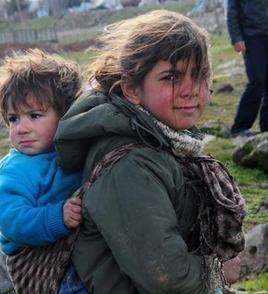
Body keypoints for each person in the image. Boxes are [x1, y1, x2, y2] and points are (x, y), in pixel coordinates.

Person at [54, 10, 245, 294]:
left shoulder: (163, 138)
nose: (190, 90)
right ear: (132, 89)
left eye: (200, 74)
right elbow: (164, 276)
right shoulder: (130, 165)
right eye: (171, 77)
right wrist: (217, 271)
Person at [0, 49, 87, 293]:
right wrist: (57, 217)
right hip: (36, 257)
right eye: (13, 118)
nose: (21, 128)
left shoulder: (74, 151)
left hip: (72, 247)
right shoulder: (15, 169)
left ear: (65, 115)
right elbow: (12, 220)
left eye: (34, 115)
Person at [227, 0, 268, 137]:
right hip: (251, 36)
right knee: (257, 80)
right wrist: (236, 37)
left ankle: (266, 127)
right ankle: (240, 127)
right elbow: (232, 12)